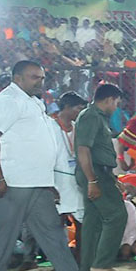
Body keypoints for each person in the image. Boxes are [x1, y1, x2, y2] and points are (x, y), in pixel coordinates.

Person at [0, 60, 94, 271]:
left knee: (51, 229)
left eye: (42, 77)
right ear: (18, 78)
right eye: (34, 77)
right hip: (16, 181)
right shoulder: (8, 101)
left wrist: (49, 181)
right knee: (3, 236)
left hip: (37, 181)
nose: (40, 82)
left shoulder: (34, 102)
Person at [75, 82, 129, 271]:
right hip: (94, 173)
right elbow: (83, 150)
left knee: (93, 220)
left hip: (100, 172)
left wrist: (110, 176)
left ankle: (87, 268)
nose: (116, 107)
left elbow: (97, 150)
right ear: (108, 99)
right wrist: (92, 180)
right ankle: (102, 263)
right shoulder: (91, 117)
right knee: (117, 215)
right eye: (116, 103)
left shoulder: (97, 117)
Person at [49, 91, 87, 249]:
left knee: (81, 220)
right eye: (78, 109)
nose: (80, 112)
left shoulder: (77, 127)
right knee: (57, 221)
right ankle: (59, 259)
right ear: (66, 107)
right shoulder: (49, 125)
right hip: (56, 179)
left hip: (75, 179)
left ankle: (80, 258)